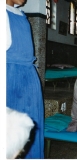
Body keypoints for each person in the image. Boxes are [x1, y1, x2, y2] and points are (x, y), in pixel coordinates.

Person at [6, 0, 44, 158]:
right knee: (10, 129)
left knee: (31, 124)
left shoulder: (22, 16)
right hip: (9, 76)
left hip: (29, 79)